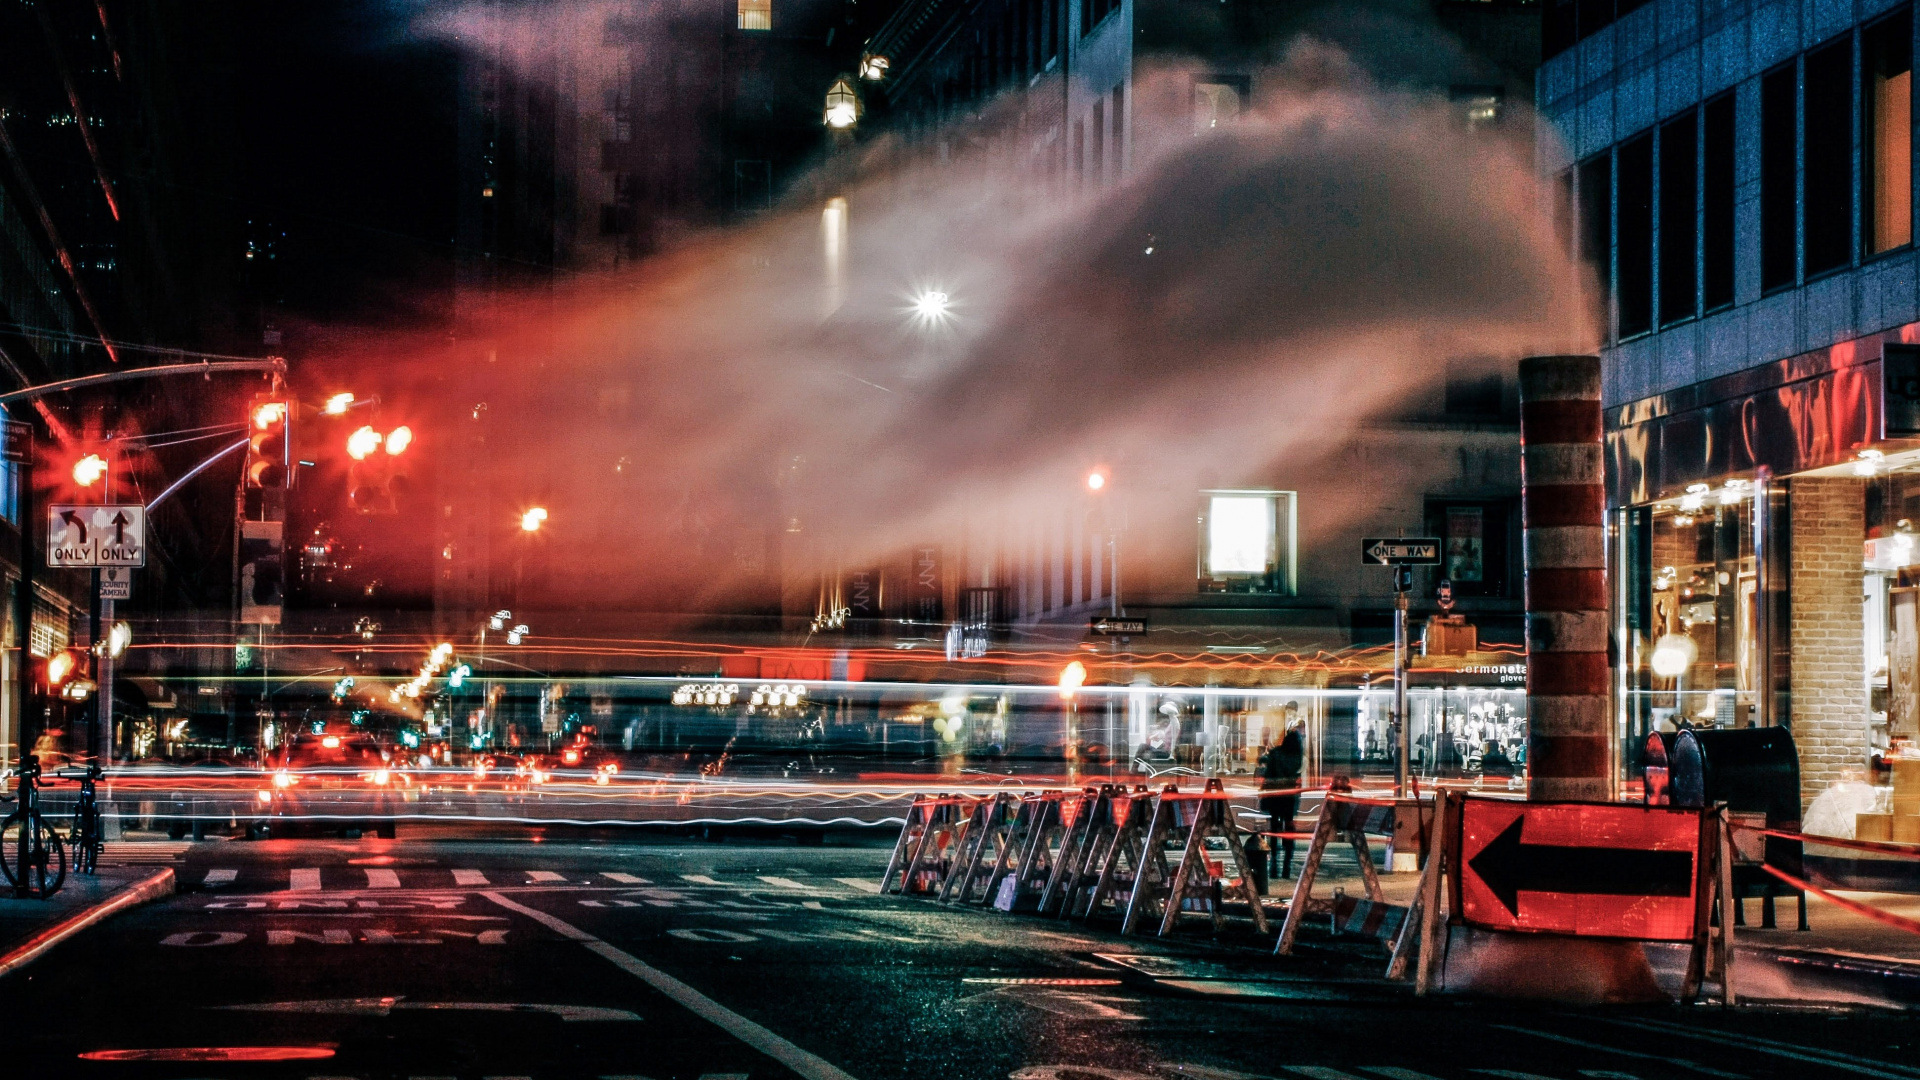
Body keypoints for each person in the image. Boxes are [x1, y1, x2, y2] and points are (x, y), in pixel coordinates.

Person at [1260, 721, 1306, 878]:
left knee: (1273, 827)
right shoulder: (1297, 758)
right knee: (1289, 827)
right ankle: (1287, 865)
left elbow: (1267, 775)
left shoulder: (1275, 754)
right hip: (1289, 798)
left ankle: (1273, 863)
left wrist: (1264, 792)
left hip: (1275, 796)